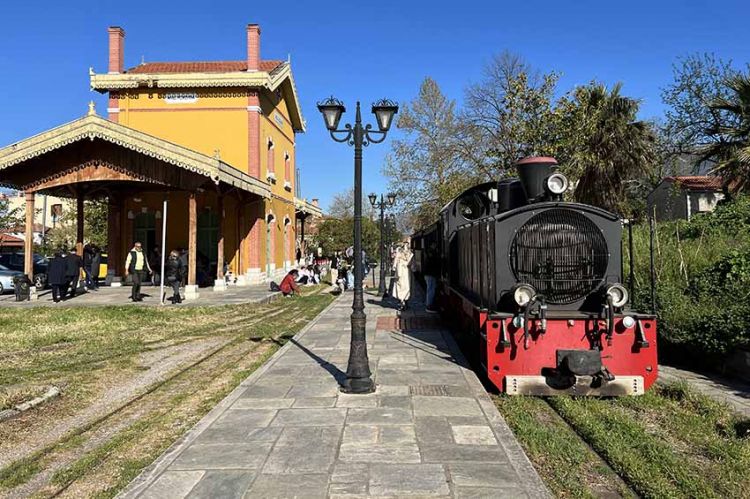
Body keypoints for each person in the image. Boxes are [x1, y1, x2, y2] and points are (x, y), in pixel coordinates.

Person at [392, 244, 414, 311]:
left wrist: (395, 267)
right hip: (405, 272)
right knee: (405, 287)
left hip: (402, 273)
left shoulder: (400, 254)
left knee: (402, 287)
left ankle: (402, 302)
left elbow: (394, 265)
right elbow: (412, 264)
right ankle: (404, 302)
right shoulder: (410, 254)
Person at [423, 242, 440, 314]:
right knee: (431, 290)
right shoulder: (431, 254)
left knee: (430, 289)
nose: (435, 246)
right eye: (434, 245)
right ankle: (429, 305)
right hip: (430, 274)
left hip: (429, 274)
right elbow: (433, 262)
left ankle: (428, 303)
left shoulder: (428, 253)